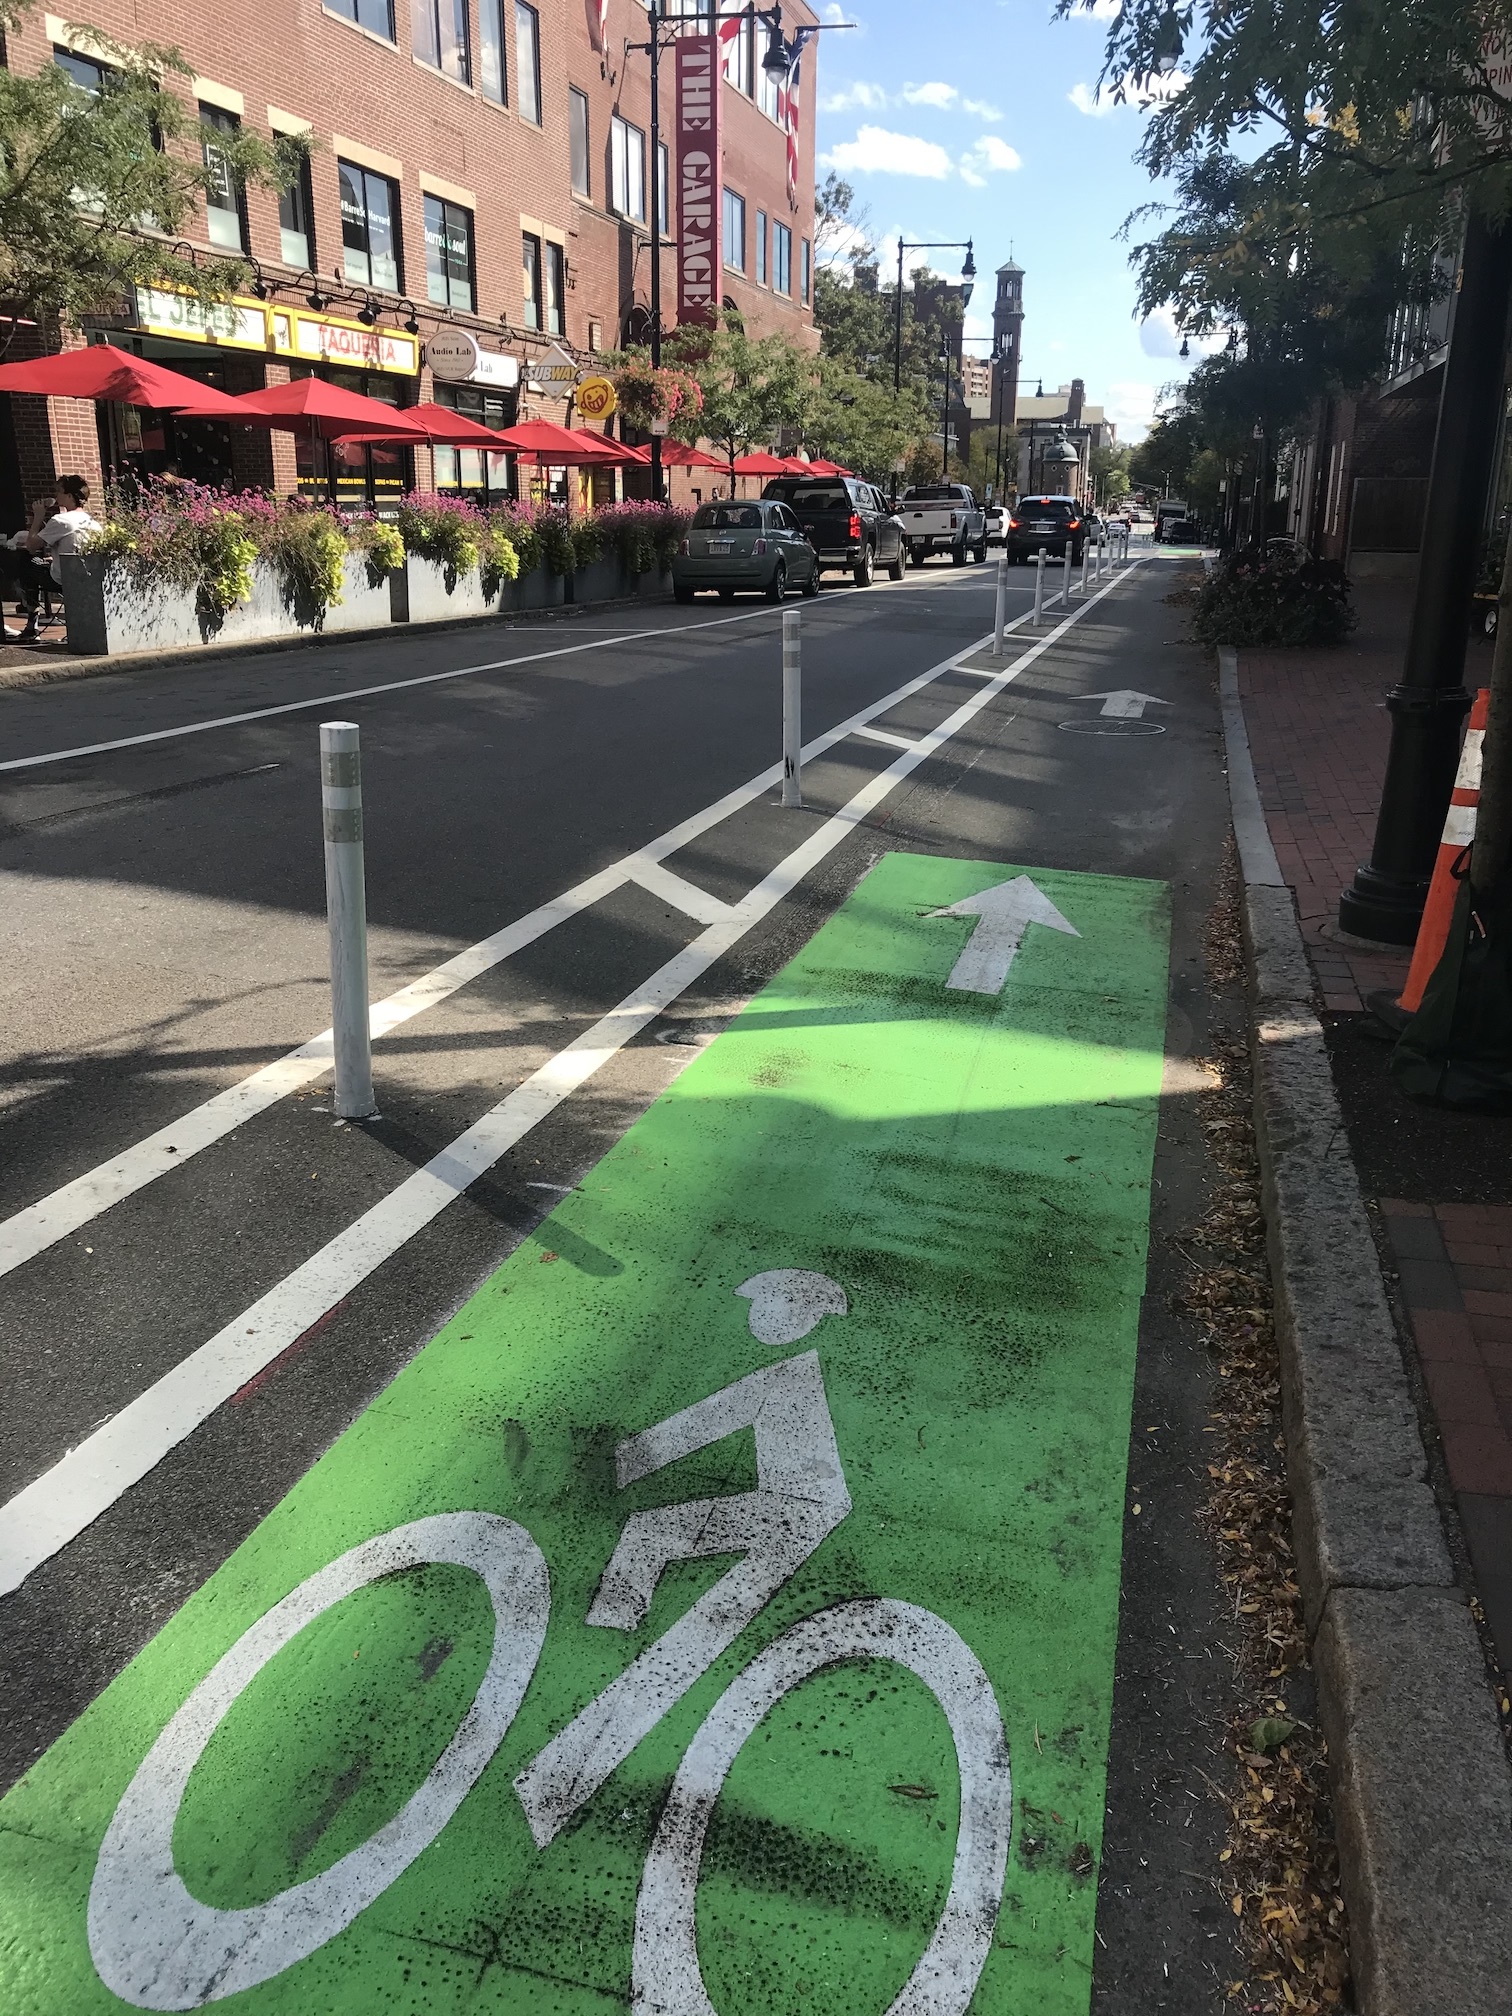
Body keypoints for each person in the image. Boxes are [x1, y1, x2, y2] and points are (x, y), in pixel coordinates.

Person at [7, 475, 100, 642]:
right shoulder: (93, 522)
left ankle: (31, 624)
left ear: (70, 496)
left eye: (59, 492)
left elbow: (31, 545)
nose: (56, 496)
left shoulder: (61, 520)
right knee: (42, 562)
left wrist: (38, 517)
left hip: (62, 579)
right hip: (87, 577)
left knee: (26, 561)